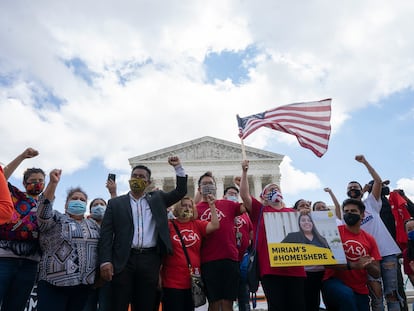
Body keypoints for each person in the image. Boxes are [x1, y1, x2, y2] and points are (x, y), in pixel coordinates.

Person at [99, 156, 187, 311]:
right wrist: (105, 261)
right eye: (134, 176)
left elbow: (180, 191)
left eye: (142, 177)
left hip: (150, 260)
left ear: (148, 182)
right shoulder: (116, 203)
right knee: (119, 304)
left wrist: (178, 167)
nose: (137, 179)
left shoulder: (158, 199)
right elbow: (106, 234)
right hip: (123, 260)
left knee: (145, 304)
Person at [239, 159, 306, 311]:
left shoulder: (293, 213)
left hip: (295, 268)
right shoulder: (260, 211)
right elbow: (244, 195)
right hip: (270, 269)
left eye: (276, 189)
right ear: (263, 196)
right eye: (270, 190)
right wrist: (244, 172)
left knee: (298, 306)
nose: (274, 191)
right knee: (277, 306)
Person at [36, 169, 101, 311]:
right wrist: (53, 184)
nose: (78, 201)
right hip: (53, 284)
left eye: (82, 200)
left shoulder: (93, 225)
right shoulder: (56, 218)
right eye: (74, 199)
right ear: (66, 204)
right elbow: (43, 212)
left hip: (83, 286)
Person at [347, 155, 402, 311]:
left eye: (355, 187)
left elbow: (378, 182)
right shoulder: (348, 214)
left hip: (387, 253)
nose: (352, 189)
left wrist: (365, 163)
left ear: (361, 190)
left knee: (392, 295)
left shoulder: (371, 203)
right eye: (349, 188)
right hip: (369, 257)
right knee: (376, 298)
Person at [0, 147, 44, 311]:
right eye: (33, 180)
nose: (37, 183)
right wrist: (22, 157)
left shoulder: (46, 208)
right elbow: (1, 177)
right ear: (25, 183)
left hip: (30, 264)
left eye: (41, 180)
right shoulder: (14, 195)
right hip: (4, 259)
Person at [196, 172, 246, 311]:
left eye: (210, 183)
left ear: (216, 186)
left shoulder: (228, 204)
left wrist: (242, 185)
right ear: (199, 189)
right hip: (208, 260)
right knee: (214, 302)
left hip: (229, 257)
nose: (208, 186)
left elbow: (248, 206)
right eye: (204, 184)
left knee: (228, 302)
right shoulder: (195, 209)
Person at [322, 198, 381, 311]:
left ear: (362, 215)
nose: (349, 213)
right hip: (333, 282)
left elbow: (377, 273)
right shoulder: (334, 233)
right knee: (346, 295)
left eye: (353, 211)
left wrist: (368, 265)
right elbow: (326, 263)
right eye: (346, 211)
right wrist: (353, 265)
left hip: (359, 289)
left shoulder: (370, 239)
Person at [161, 196, 219, 311]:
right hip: (172, 281)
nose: (187, 208)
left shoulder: (197, 225)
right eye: (184, 205)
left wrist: (212, 206)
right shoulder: (169, 225)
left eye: (189, 206)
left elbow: (215, 225)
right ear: (177, 208)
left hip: (192, 281)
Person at [282, 213, 329, 311]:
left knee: (315, 303)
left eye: (309, 220)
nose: (306, 223)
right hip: (302, 275)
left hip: (320, 274)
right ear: (299, 223)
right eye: (303, 220)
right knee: (302, 304)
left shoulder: (322, 239)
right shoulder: (292, 236)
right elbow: (281, 252)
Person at [223, 185, 253, 311]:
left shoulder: (244, 214)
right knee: (226, 295)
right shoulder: (221, 211)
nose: (233, 195)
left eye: (235, 194)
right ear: (224, 197)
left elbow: (251, 233)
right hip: (226, 258)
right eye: (230, 193)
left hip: (242, 259)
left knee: (243, 294)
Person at [83, 198, 111, 311]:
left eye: (102, 204)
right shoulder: (84, 225)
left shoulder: (112, 226)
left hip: (108, 276)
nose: (99, 206)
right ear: (90, 210)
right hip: (88, 277)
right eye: (95, 205)